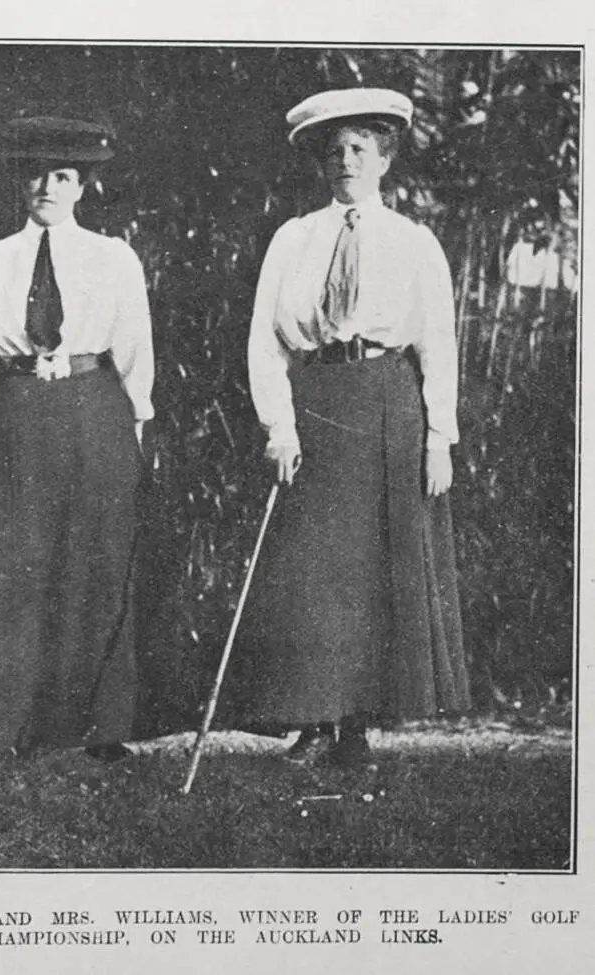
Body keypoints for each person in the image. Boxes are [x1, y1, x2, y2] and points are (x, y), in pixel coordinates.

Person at [238, 88, 470, 766]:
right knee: (313, 568)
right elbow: (265, 343)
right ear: (320, 162)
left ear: (384, 158)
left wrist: (439, 439)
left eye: (360, 148)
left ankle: (359, 724)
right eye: (334, 150)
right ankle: (313, 719)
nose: (346, 160)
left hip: (386, 400)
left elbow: (437, 344)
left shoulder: (413, 243)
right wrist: (278, 427)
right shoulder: (294, 239)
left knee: (375, 564)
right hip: (315, 399)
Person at [0, 116, 154, 761]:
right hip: (16, 415)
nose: (47, 186)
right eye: (36, 173)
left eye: (62, 175)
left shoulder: (113, 257)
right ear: (18, 181)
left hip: (93, 412)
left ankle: (94, 729)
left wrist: (136, 424)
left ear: (82, 186)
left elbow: (135, 350)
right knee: (9, 565)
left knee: (94, 565)